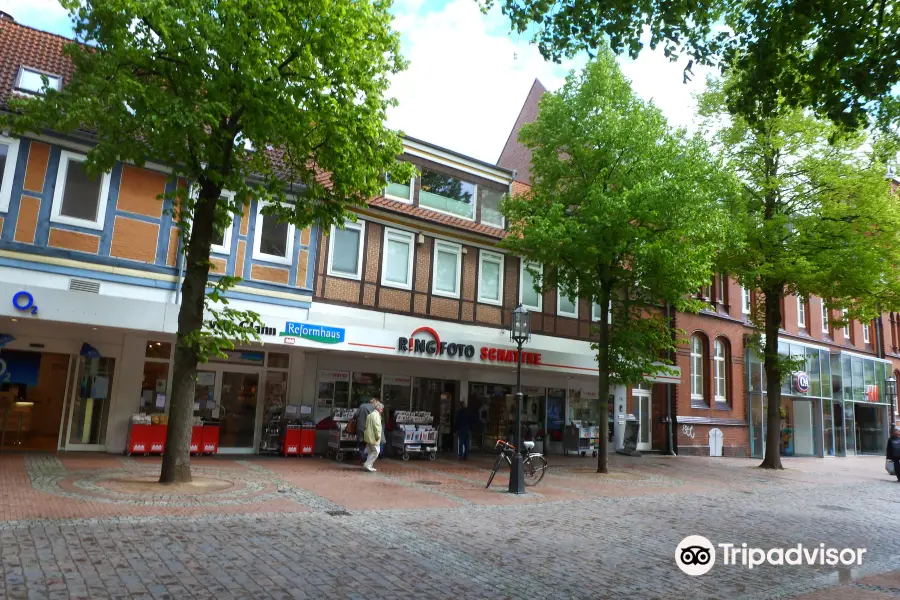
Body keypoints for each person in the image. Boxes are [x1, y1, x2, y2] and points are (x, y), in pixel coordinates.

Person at [363, 401, 384, 472]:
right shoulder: (376, 416)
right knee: (376, 452)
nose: (382, 410)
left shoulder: (370, 415)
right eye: (381, 409)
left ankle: (369, 465)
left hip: (368, 436)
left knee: (370, 452)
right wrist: (378, 436)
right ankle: (367, 464)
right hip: (373, 437)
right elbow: (377, 427)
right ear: (378, 409)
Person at [356, 397, 377, 464]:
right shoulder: (374, 408)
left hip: (360, 427)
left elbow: (356, 415)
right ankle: (366, 459)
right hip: (369, 428)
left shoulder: (362, 406)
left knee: (361, 444)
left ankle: (363, 458)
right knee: (369, 446)